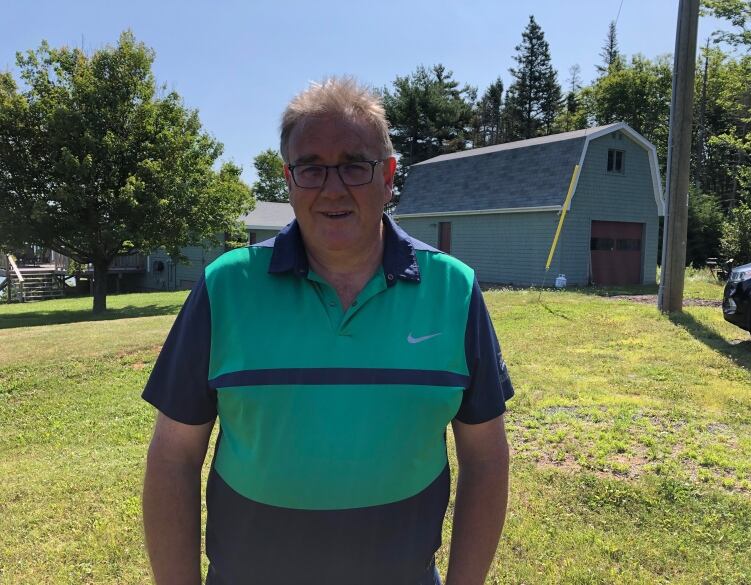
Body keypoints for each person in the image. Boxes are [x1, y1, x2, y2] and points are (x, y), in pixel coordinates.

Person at [142, 77, 514, 585]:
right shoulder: (226, 286)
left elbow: (487, 457)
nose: (332, 188)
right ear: (289, 180)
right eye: (311, 168)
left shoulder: (454, 289)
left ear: (388, 176)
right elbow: (173, 457)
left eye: (354, 166)